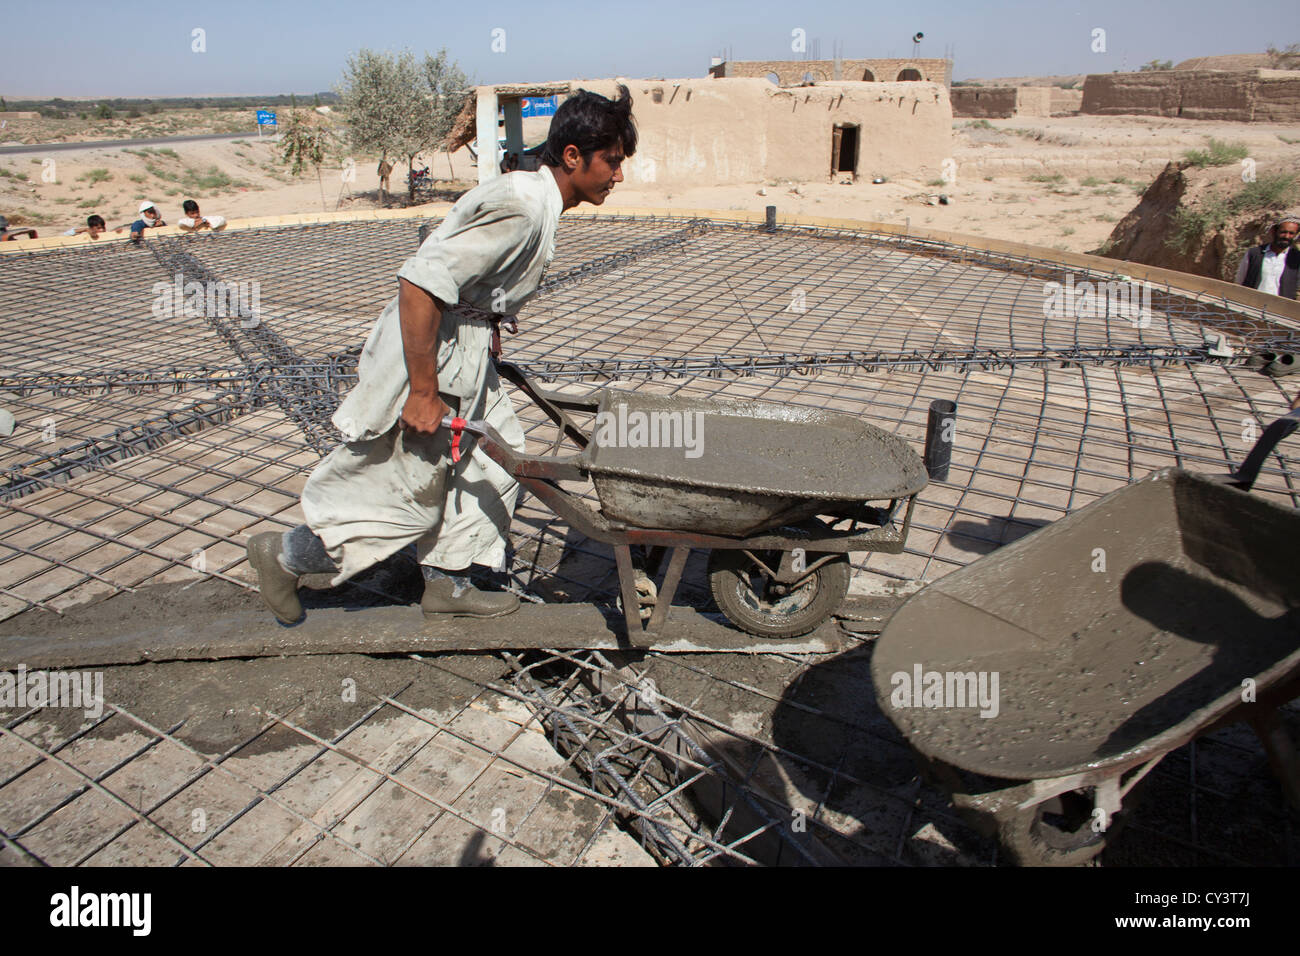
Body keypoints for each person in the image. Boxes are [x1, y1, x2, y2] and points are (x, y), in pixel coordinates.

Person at [246, 86, 637, 625]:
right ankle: (284, 557)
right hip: (432, 360)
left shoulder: (538, 200)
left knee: (497, 463)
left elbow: (470, 280)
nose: (618, 175)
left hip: (464, 352)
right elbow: (421, 283)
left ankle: (448, 582)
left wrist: (490, 317)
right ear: (573, 156)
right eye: (612, 162)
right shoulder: (524, 207)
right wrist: (425, 392)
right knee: (397, 495)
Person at [1235, 216, 1300, 299]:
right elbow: (1239, 281)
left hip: (1280, 309)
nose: (1287, 236)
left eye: (1291, 233)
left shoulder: (1296, 259)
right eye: (1283, 232)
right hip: (1252, 306)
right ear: (1274, 231)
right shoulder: (1254, 253)